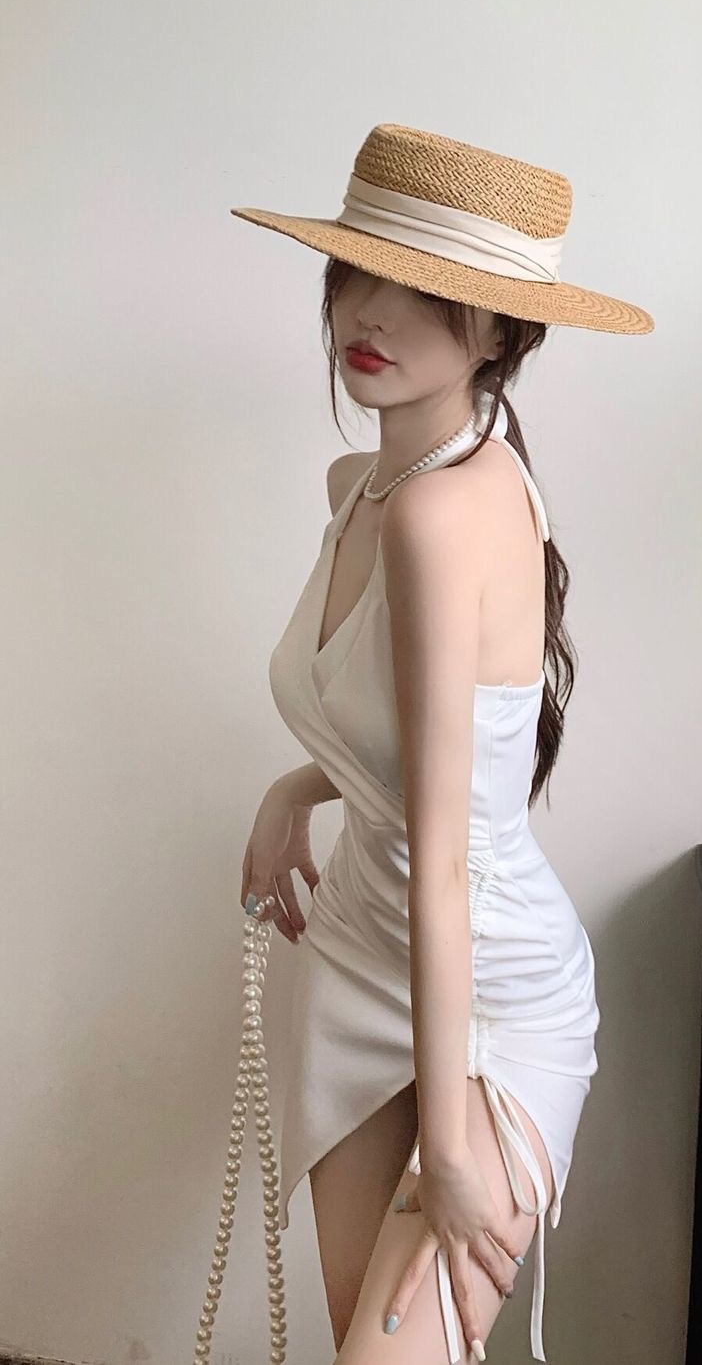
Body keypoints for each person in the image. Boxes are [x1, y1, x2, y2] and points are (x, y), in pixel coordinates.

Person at [230, 122, 653, 1365]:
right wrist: (290, 790)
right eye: (355, 272)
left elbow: (452, 858)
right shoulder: (358, 490)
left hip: (493, 991)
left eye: (424, 292)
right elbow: (410, 746)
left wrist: (458, 1154)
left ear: (503, 337)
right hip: (362, 951)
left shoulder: (443, 516)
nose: (367, 313)